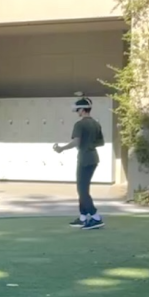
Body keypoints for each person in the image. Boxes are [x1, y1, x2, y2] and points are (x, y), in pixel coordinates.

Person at [53, 96, 105, 229]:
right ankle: (83, 217)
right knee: (83, 189)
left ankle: (95, 217)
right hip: (93, 158)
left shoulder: (80, 124)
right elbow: (101, 142)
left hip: (84, 159)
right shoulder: (96, 123)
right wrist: (89, 144)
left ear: (83, 109)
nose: (77, 113)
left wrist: (61, 149)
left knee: (82, 190)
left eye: (78, 110)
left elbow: (76, 142)